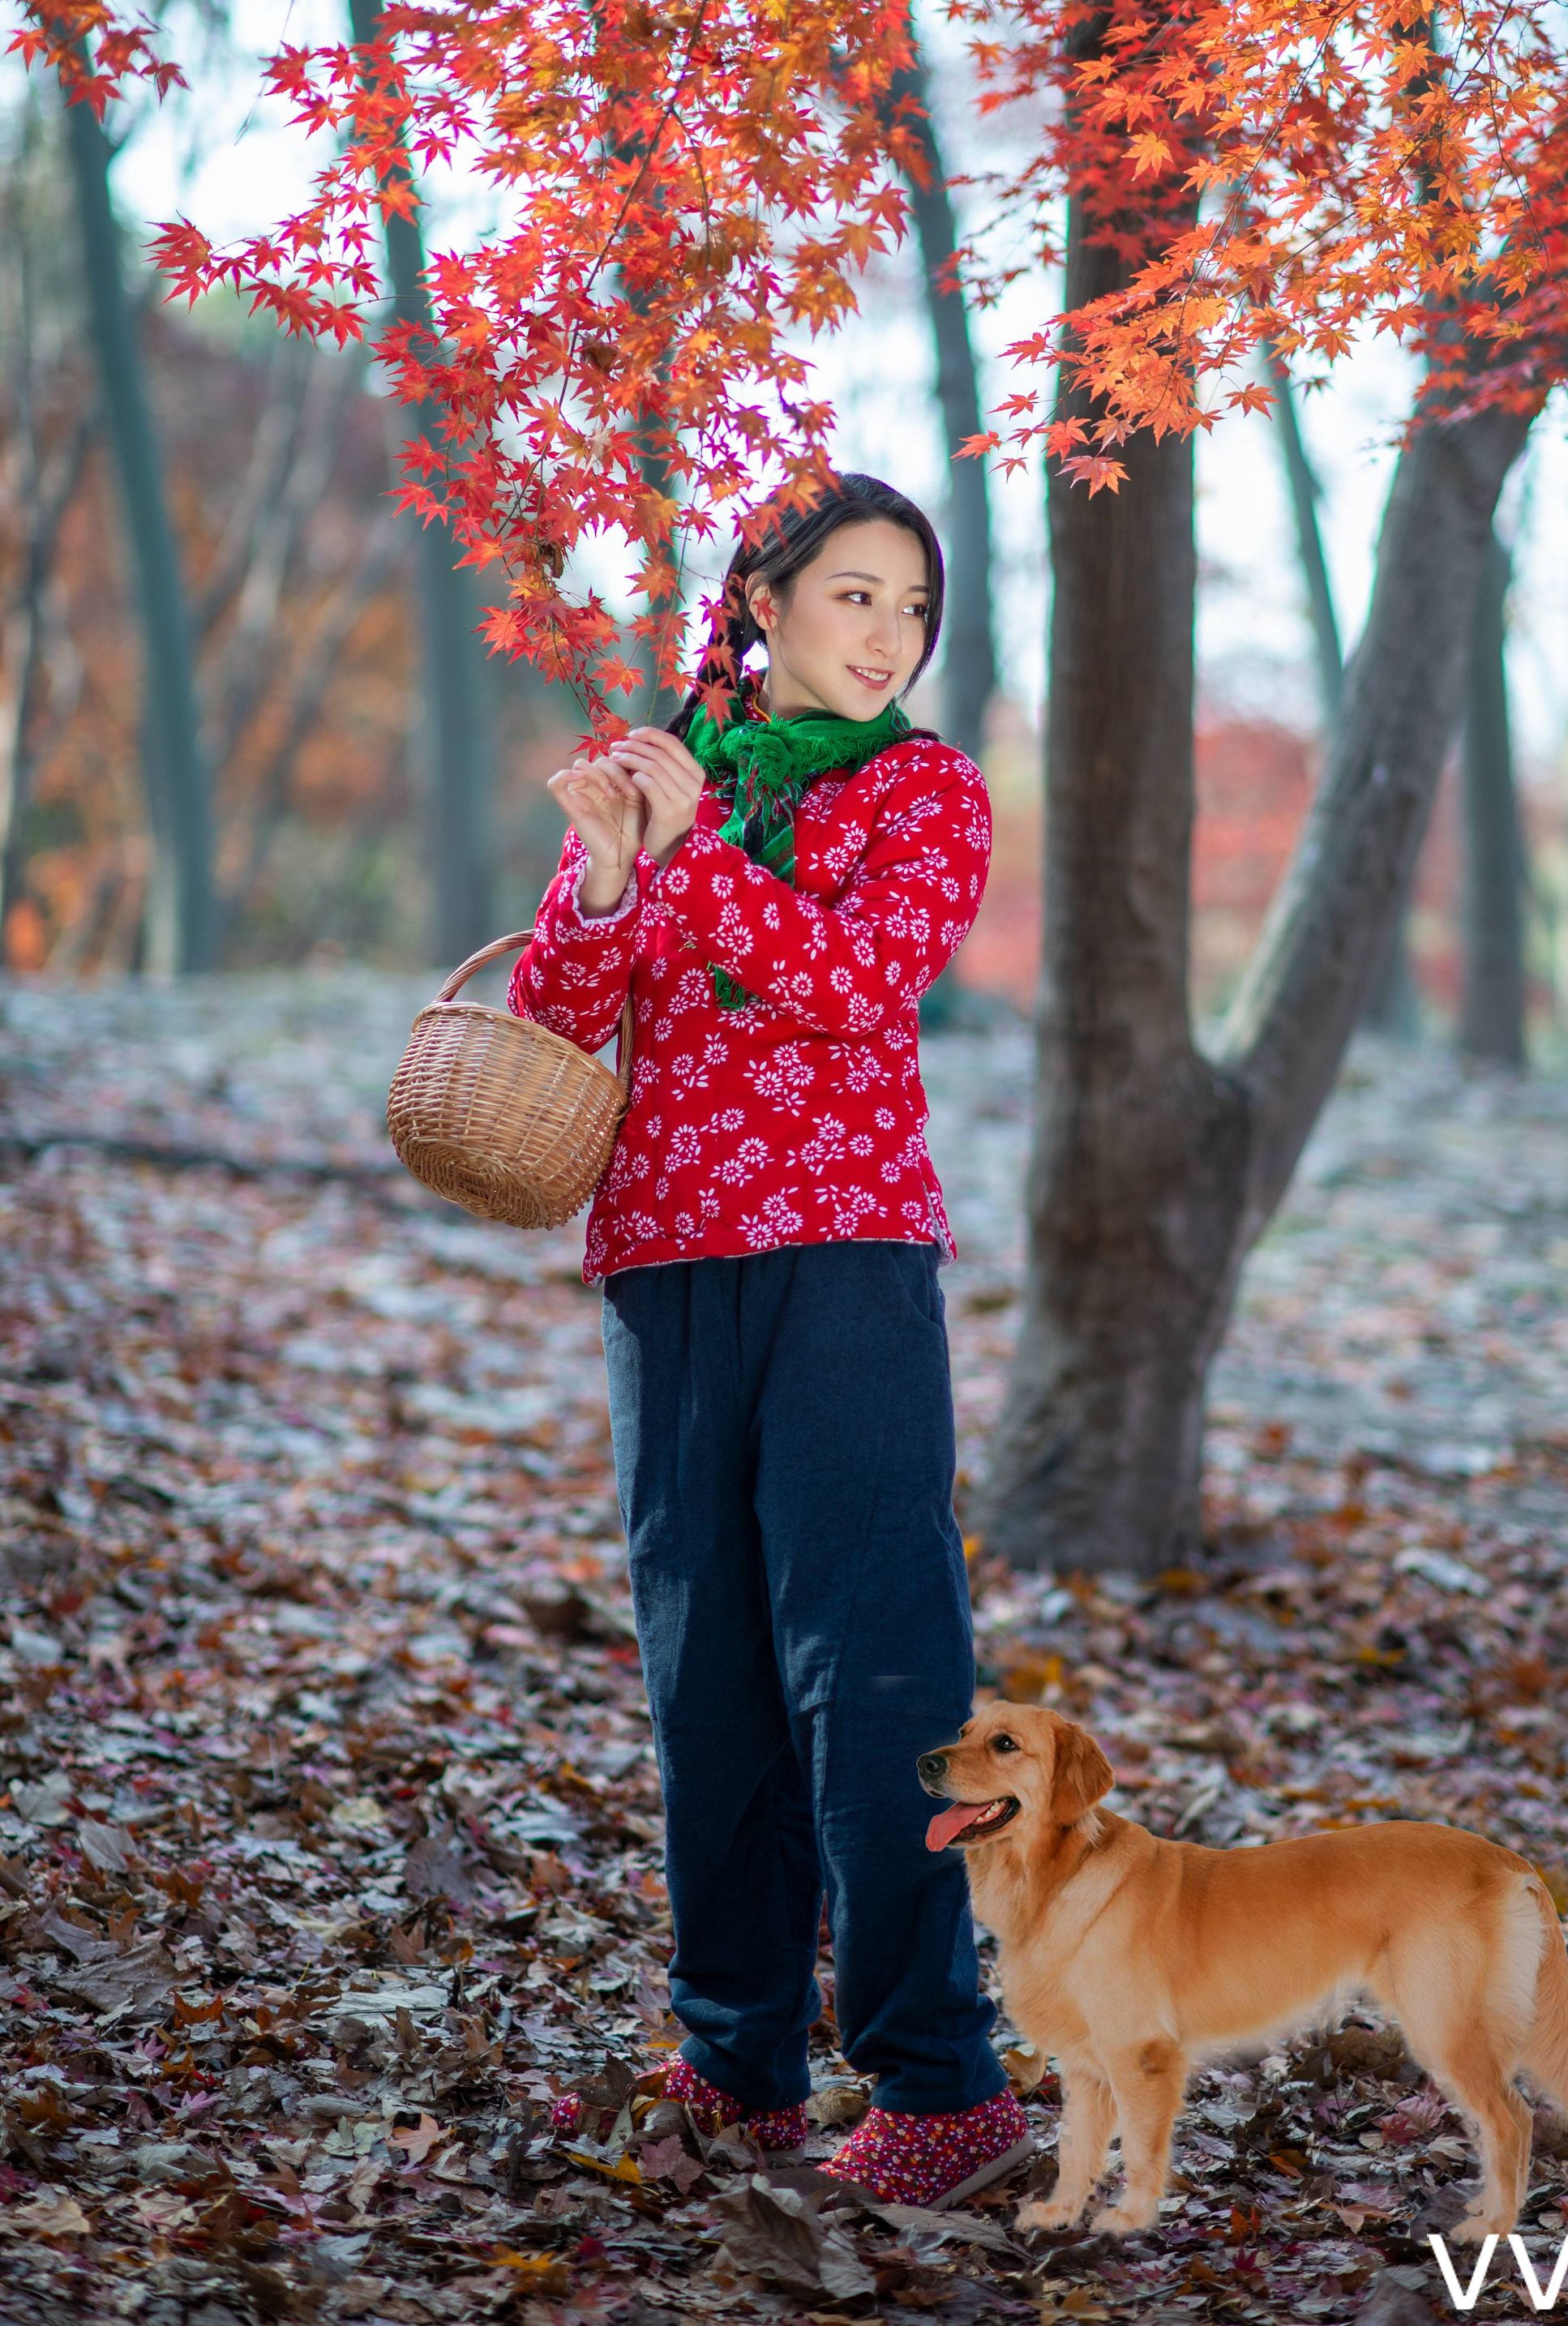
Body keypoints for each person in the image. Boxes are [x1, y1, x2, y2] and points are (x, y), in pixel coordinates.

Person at [508, 474, 1029, 2209]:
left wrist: (693, 857)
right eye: (856, 597)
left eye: (912, 608)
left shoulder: (924, 790)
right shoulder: (671, 775)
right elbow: (567, 1013)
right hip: (663, 1260)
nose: (889, 635)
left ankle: (941, 2081)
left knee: (872, 1667)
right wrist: (601, 873)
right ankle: (738, 2061)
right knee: (707, 1670)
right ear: (763, 600)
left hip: (845, 1260)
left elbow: (861, 978)